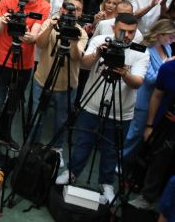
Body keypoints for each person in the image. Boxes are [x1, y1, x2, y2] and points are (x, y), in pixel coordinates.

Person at [56, 13, 149, 203]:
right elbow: (84, 64)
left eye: (131, 32)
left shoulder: (140, 51)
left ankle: (106, 182)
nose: (127, 35)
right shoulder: (100, 41)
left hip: (121, 112)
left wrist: (124, 73)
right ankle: (73, 172)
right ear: (114, 28)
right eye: (123, 31)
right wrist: (98, 53)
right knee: (83, 142)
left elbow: (137, 83)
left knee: (111, 150)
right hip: (91, 105)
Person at [0, 0, 50, 152]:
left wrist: (30, 37)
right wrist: (3, 21)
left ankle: (4, 134)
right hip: (2, 59)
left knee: (14, 102)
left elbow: (35, 35)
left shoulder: (44, 5)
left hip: (24, 62)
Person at [30, 0, 87, 168]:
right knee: (37, 117)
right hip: (43, 80)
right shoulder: (50, 23)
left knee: (62, 121)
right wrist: (51, 27)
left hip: (67, 85)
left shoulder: (81, 33)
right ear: (61, 9)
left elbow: (76, 58)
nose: (72, 12)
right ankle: (33, 148)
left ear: (80, 13)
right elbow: (40, 44)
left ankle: (57, 150)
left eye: (77, 9)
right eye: (69, 8)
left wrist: (73, 42)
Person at [122, 19, 175, 166]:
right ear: (159, 35)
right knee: (136, 133)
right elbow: (150, 78)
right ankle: (121, 160)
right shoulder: (144, 50)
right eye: (170, 37)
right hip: (144, 99)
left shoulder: (167, 48)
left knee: (145, 135)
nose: (173, 41)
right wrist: (167, 65)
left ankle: (131, 160)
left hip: (159, 99)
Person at [129, 58, 175, 211]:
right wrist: (149, 126)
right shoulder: (168, 68)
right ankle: (147, 198)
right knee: (157, 164)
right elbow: (157, 96)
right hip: (166, 125)